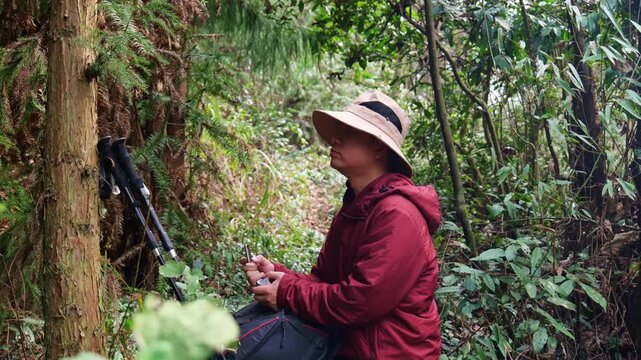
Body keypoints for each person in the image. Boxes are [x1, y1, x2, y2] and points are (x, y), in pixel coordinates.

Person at [241, 90, 442, 359]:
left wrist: (286, 291)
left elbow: (359, 301)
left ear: (379, 148)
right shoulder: (357, 207)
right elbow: (325, 282)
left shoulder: (398, 215)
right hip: (348, 348)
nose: (335, 139)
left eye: (348, 132)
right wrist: (277, 276)